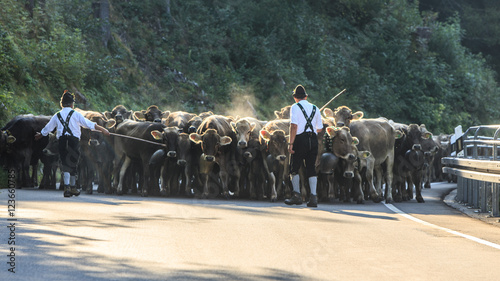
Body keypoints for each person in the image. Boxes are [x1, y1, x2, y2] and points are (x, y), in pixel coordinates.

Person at [35, 90, 110, 197]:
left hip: (61, 141)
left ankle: (66, 188)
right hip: (73, 141)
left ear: (61, 104)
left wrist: (40, 135)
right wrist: (103, 130)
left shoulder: (57, 115)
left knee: (64, 163)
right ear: (72, 104)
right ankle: (73, 187)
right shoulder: (76, 114)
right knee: (73, 163)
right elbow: (89, 124)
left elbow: (48, 128)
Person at [285, 85, 323, 207]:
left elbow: (294, 126)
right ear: (306, 97)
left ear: (295, 97)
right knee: (311, 167)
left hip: (300, 139)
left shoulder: (295, 107)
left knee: (294, 168)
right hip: (313, 139)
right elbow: (320, 128)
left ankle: (296, 195)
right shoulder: (315, 108)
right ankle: (313, 197)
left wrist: (291, 143)